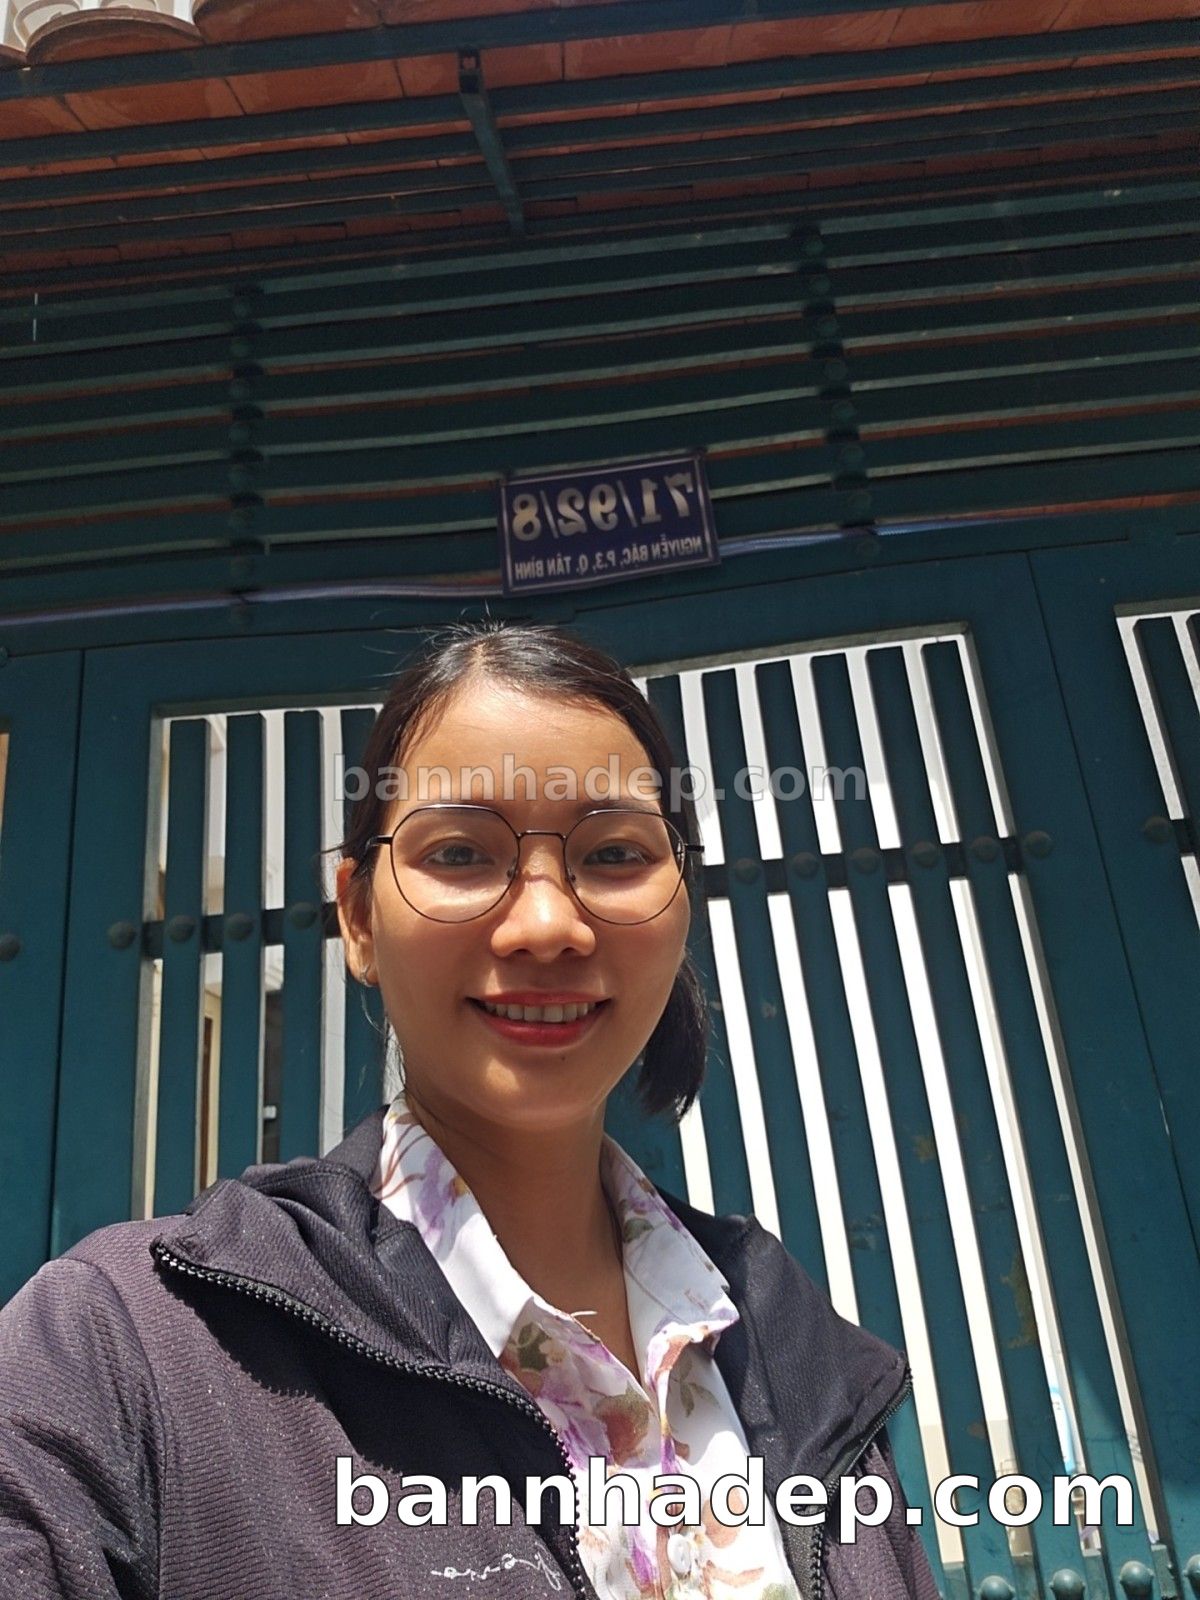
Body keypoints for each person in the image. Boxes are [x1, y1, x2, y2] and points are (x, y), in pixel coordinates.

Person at [0, 621, 938, 1600]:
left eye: (615, 852)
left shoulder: (798, 1351)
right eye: (459, 853)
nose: (548, 924)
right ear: (358, 916)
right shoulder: (127, 1348)